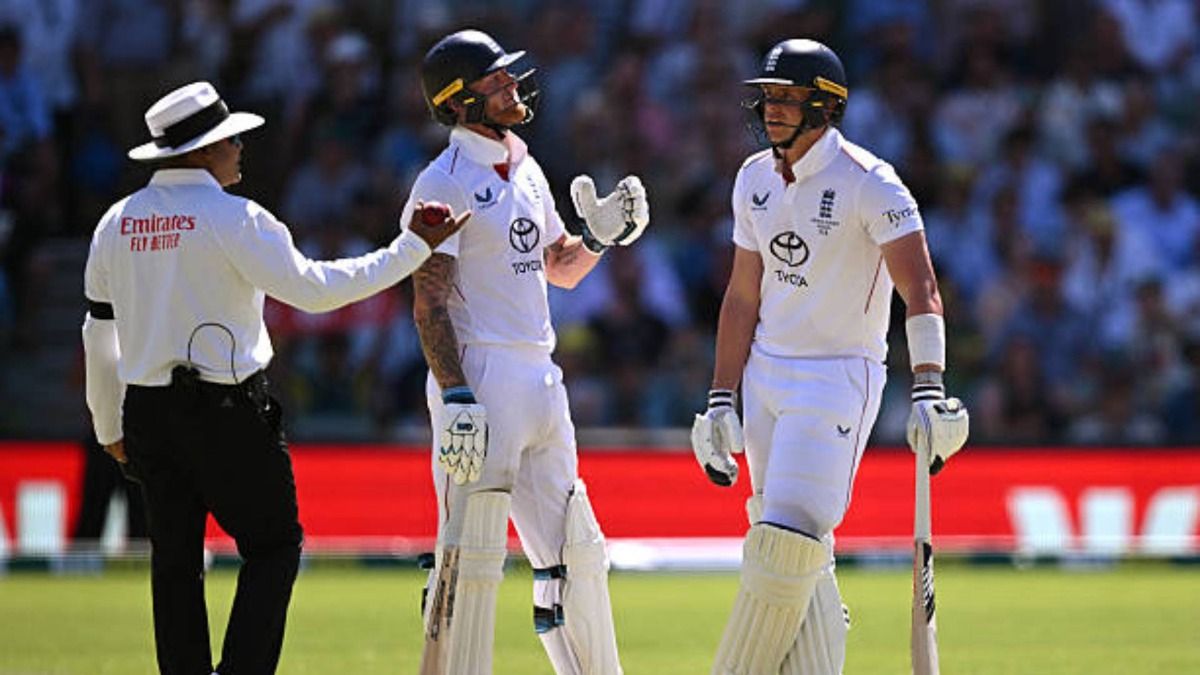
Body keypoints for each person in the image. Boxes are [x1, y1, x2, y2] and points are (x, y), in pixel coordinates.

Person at [81, 81, 467, 675]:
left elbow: (98, 332)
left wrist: (109, 424)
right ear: (203, 151)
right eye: (230, 139)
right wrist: (412, 248)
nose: (239, 148)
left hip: (148, 413)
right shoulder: (236, 218)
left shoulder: (116, 223)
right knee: (274, 547)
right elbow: (316, 291)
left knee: (174, 560)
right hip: (229, 410)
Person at [689, 40, 969, 674]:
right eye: (768, 97)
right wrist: (718, 396)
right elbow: (740, 296)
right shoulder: (752, 178)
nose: (772, 110)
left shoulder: (870, 182)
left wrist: (929, 385)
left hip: (837, 376)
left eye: (788, 98)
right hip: (766, 374)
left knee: (787, 543)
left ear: (824, 105)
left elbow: (919, 287)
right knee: (787, 548)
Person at [409, 29, 649, 674]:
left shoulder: (524, 163)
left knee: (577, 553)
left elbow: (558, 267)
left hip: (540, 373)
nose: (512, 86)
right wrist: (456, 394)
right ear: (459, 102)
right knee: (471, 555)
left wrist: (600, 237)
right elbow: (429, 302)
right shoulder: (444, 183)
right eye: (495, 81)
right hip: (481, 374)